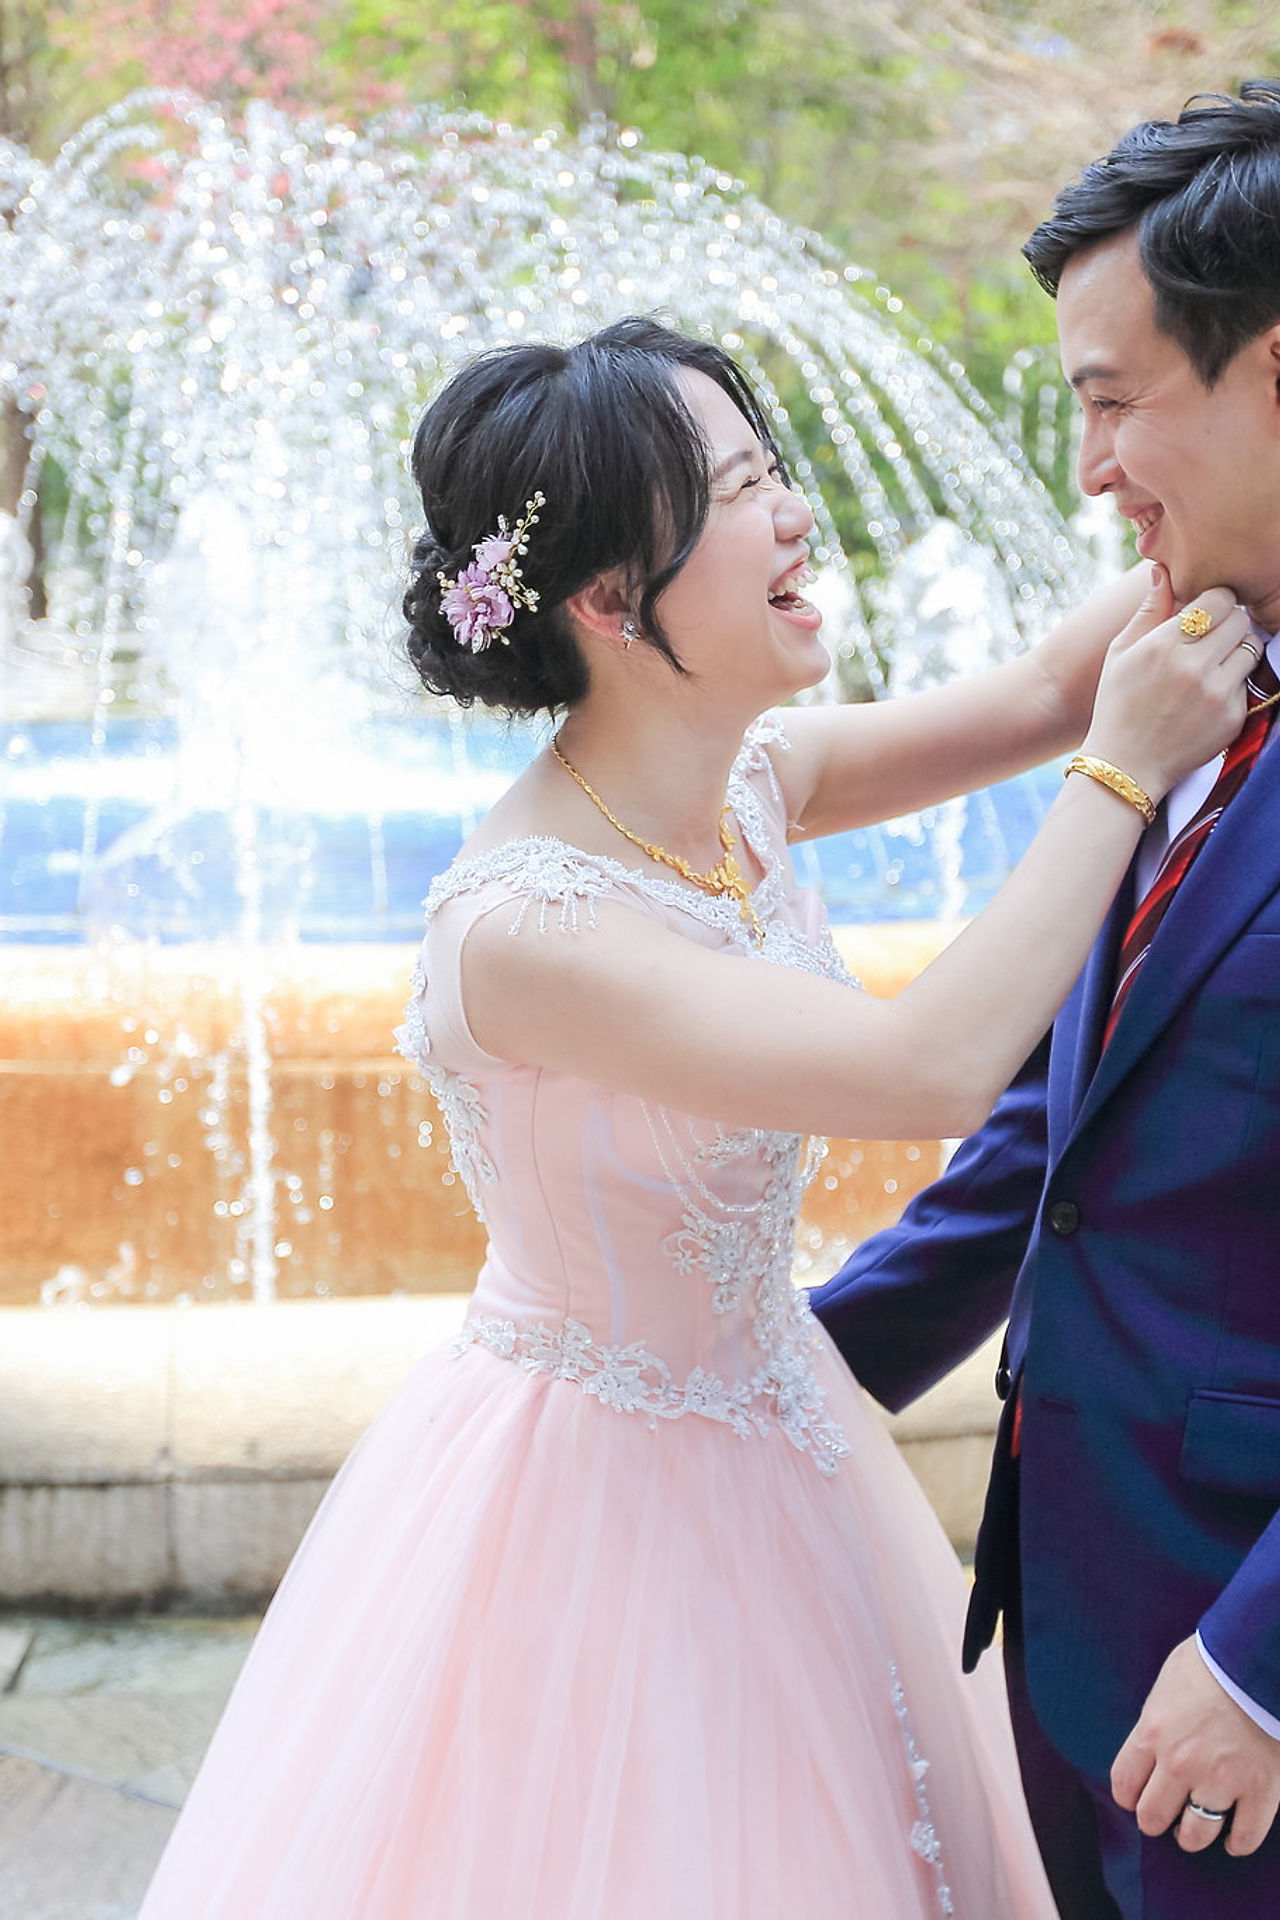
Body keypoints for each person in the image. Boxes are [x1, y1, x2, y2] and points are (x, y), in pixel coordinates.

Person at [139, 315, 1249, 1920]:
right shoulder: (528, 928)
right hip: (594, 1510)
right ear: (608, 602)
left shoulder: (745, 786)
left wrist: (1211, 510)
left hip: (785, 1435)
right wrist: (1123, 771)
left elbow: (1037, 687)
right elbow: (927, 1069)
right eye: (740, 490)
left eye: (771, 468)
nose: (797, 515)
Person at [812, 80, 1280, 1920]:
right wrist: (769, 1385)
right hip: (1079, 1621)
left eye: (1111, 400)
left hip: (1237, 1680)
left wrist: (1260, 1662)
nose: (1089, 469)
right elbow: (1062, 1136)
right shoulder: (1183, 662)